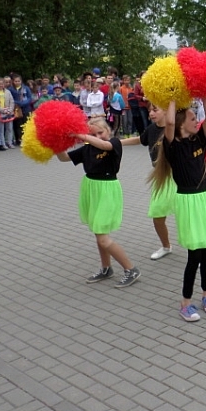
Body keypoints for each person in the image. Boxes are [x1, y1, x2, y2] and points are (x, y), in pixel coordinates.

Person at [149, 97, 206, 322]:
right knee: (195, 254)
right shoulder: (173, 145)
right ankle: (185, 303)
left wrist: (205, 96)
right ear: (182, 123)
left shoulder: (198, 141)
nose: (197, 121)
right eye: (193, 118)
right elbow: (170, 124)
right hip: (188, 200)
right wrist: (172, 99)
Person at [56, 118, 141, 287]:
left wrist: (82, 135)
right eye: (92, 134)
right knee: (98, 232)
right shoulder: (87, 149)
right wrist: (55, 143)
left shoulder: (114, 143)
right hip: (91, 189)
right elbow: (64, 158)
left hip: (107, 190)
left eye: (100, 132)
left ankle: (131, 269)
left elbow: (105, 146)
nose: (97, 136)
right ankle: (106, 268)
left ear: (108, 131)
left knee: (103, 238)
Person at [123, 104, 176, 260]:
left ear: (166, 110)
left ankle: (199, 253)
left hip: (179, 177)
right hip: (161, 178)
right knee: (157, 215)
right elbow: (140, 139)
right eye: (149, 111)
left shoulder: (176, 128)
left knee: (187, 217)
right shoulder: (152, 129)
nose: (151, 114)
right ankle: (166, 246)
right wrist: (116, 143)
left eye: (155, 110)